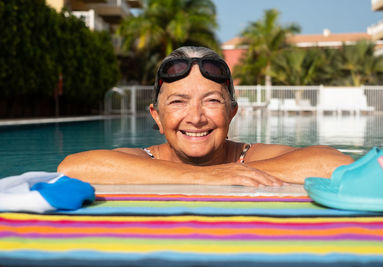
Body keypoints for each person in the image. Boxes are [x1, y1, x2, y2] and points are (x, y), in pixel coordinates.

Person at [58, 46, 353, 186]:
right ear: (157, 116)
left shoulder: (251, 158)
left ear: (232, 113)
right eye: (178, 102)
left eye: (212, 100)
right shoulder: (142, 158)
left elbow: (337, 164)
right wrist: (206, 176)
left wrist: (230, 173)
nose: (196, 117)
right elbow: (71, 169)